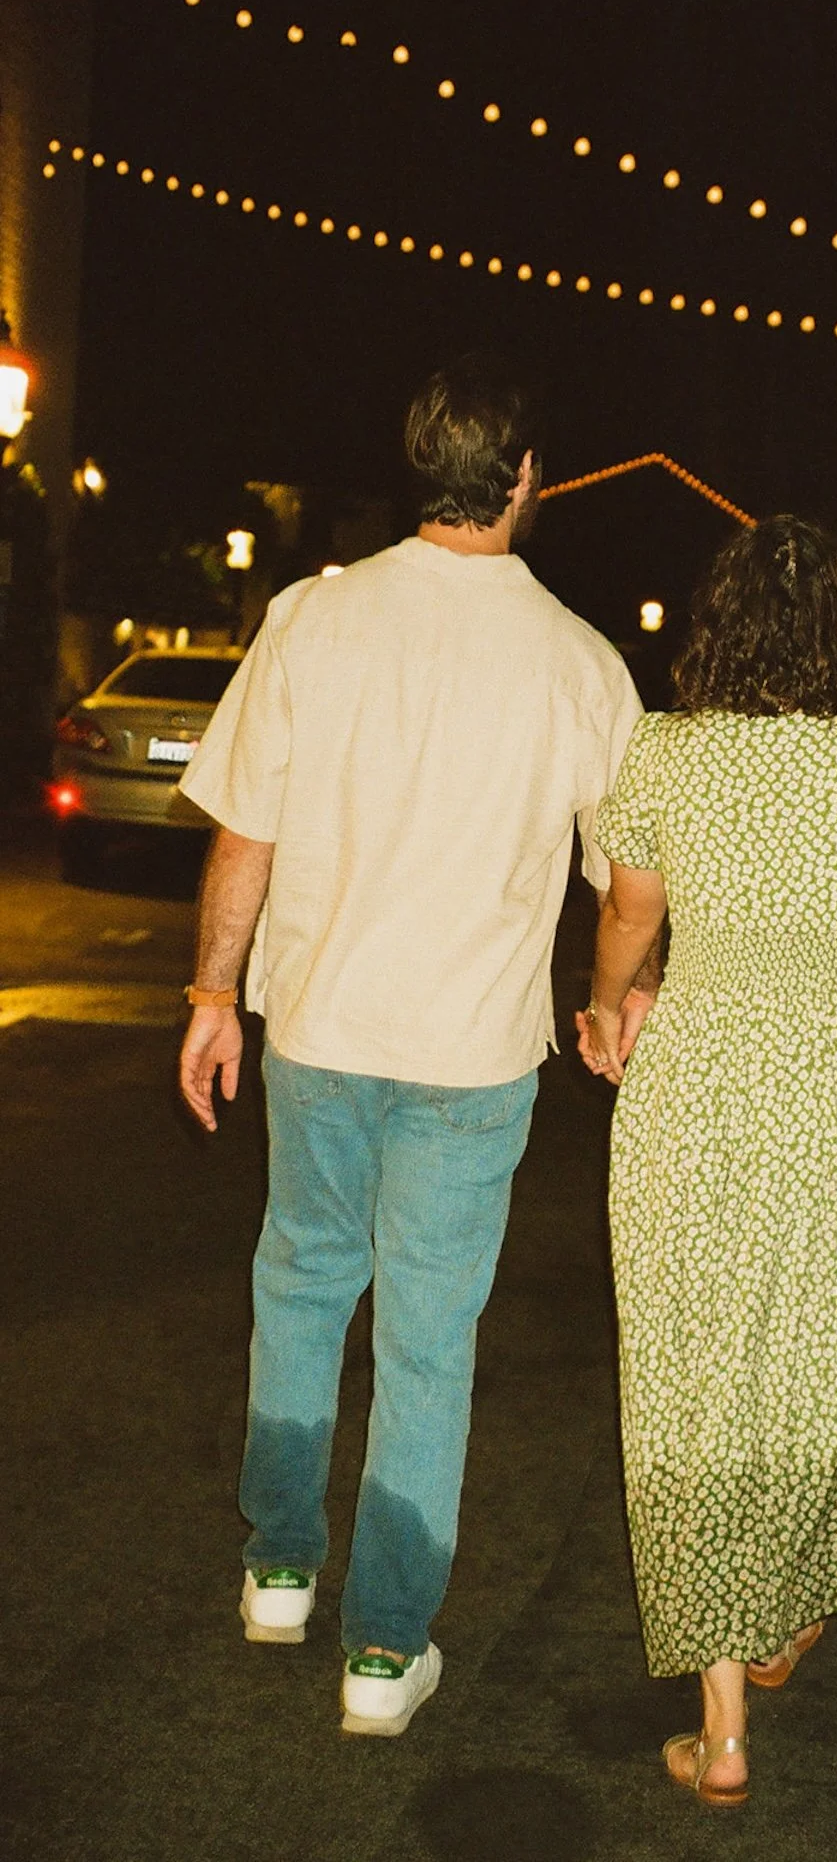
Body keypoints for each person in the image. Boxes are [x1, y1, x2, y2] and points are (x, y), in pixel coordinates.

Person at [177, 354, 650, 1738]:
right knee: (430, 1343)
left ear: (419, 468)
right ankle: (383, 1653)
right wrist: (620, 997)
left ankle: (278, 1571)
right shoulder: (580, 662)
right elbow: (629, 882)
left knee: (301, 1287)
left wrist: (213, 996)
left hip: (320, 1029)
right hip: (473, 1053)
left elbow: (245, 834)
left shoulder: (313, 620)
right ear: (526, 477)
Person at [578, 514, 837, 1806]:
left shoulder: (667, 751)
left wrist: (608, 1005)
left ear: (724, 623)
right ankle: (790, 1606)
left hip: (699, 1081)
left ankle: (724, 1730)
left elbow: (629, 913)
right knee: (824, 1359)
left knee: (694, 1374)